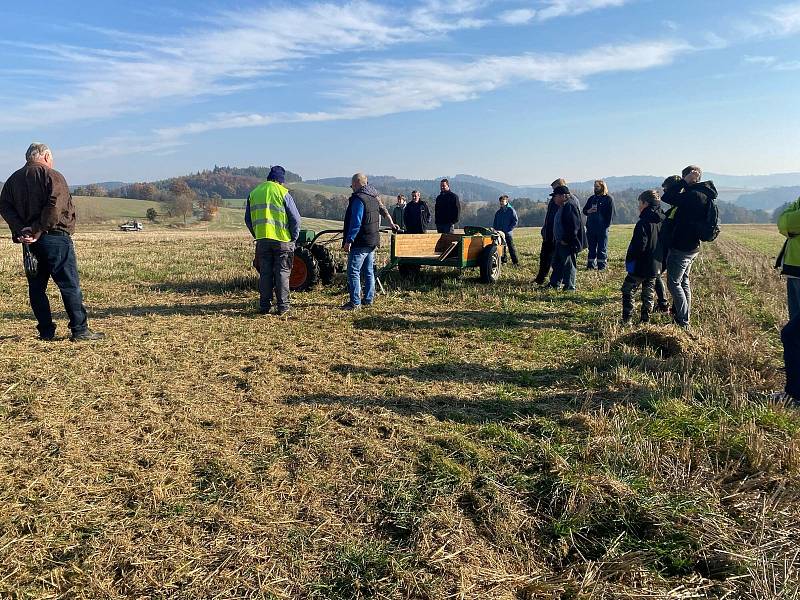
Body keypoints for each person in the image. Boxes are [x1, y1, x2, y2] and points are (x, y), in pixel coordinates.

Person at [0, 143, 104, 341]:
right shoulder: (52, 175)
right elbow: (55, 206)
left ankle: (46, 332)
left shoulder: (13, 180)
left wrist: (22, 229)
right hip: (55, 237)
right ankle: (80, 330)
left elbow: (4, 206)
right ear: (46, 156)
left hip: (29, 241)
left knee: (37, 288)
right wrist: (39, 228)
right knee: (68, 284)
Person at [661, 165, 718, 330]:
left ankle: (683, 321)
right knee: (683, 281)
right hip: (692, 246)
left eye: (684, 177)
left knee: (673, 283)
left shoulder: (694, 195)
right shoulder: (704, 194)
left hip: (682, 246)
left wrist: (684, 182)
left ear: (690, 178)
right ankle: (682, 316)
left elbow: (668, 197)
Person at [245, 165, 301, 316]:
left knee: (265, 274)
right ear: (280, 180)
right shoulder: (283, 192)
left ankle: (264, 307)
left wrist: (258, 234)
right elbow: (295, 219)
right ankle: (283, 307)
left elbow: (248, 220)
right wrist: (294, 238)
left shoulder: (254, 193)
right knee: (282, 273)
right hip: (283, 240)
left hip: (262, 240)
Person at [621, 190, 666, 324]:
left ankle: (627, 320)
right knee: (648, 294)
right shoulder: (663, 220)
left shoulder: (643, 223)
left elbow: (639, 246)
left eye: (640, 203)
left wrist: (630, 263)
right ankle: (645, 321)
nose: (638, 207)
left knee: (628, 290)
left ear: (646, 203)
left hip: (640, 265)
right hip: (655, 265)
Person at [773, 197, 800, 405]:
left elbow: (788, 222)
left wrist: (790, 222)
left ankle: (795, 395)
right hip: (794, 269)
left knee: (792, 334)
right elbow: (784, 222)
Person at [342, 173, 381, 310]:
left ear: (356, 183)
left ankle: (355, 302)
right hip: (372, 240)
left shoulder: (359, 199)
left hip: (360, 241)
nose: (351, 187)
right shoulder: (374, 197)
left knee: (353, 271)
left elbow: (356, 222)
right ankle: (369, 299)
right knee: (369, 271)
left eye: (352, 185)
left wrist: (349, 240)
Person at [548, 185, 586, 291]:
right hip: (560, 242)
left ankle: (570, 287)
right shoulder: (563, 206)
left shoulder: (570, 206)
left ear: (563, 196)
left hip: (568, 242)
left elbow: (573, 226)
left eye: (555, 196)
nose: (554, 198)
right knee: (557, 263)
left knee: (569, 265)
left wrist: (566, 240)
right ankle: (554, 283)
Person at [534, 178, 565, 285]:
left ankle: (555, 281)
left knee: (555, 260)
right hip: (548, 234)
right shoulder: (553, 200)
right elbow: (549, 217)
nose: (553, 191)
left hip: (555, 235)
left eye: (555, 188)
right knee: (544, 257)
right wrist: (544, 229)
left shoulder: (564, 200)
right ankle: (540, 278)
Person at [583, 179, 614, 270]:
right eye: (595, 187)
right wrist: (589, 211)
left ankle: (601, 267)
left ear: (602, 187)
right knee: (591, 248)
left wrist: (605, 226)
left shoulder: (608, 199)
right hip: (591, 228)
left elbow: (610, 215)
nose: (595, 188)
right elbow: (584, 210)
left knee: (602, 249)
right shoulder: (592, 198)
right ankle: (590, 266)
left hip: (602, 229)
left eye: (597, 187)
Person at [493, 195, 519, 265]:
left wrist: (508, 229)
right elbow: (495, 222)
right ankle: (503, 261)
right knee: (501, 248)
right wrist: (495, 230)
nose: (501, 203)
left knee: (511, 247)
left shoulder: (511, 210)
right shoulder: (498, 212)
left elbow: (515, 221)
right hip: (499, 233)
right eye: (500, 201)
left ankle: (515, 262)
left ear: (506, 201)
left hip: (507, 233)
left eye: (502, 201)